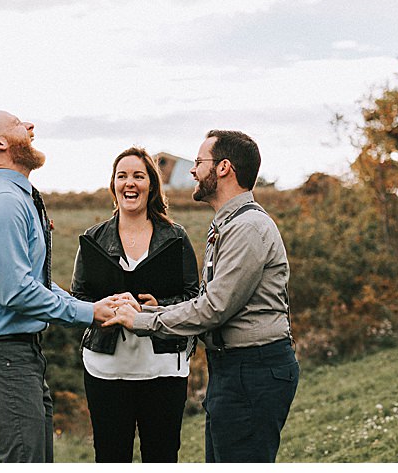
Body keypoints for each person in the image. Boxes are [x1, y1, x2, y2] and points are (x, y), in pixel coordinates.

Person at [104, 130, 299, 463]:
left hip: (251, 370)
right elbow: (213, 301)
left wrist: (142, 320)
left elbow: (214, 309)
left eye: (198, 163)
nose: (193, 171)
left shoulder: (247, 227)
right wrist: (162, 307)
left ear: (223, 168)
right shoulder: (228, 224)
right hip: (234, 368)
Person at [0, 110, 118, 463]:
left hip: (17, 355)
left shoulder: (17, 199)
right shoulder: (3, 204)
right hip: (1, 357)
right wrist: (88, 313)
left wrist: (94, 306)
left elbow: (34, 283)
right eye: (18, 123)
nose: (30, 128)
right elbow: (15, 292)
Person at [70, 147, 199, 462]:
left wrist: (156, 308)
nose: (130, 183)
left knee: (162, 455)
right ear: (113, 185)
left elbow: (194, 298)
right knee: (111, 457)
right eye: (122, 176)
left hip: (164, 369)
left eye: (138, 176)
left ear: (151, 185)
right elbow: (77, 298)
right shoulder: (94, 239)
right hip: (106, 370)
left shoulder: (175, 237)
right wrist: (103, 306)